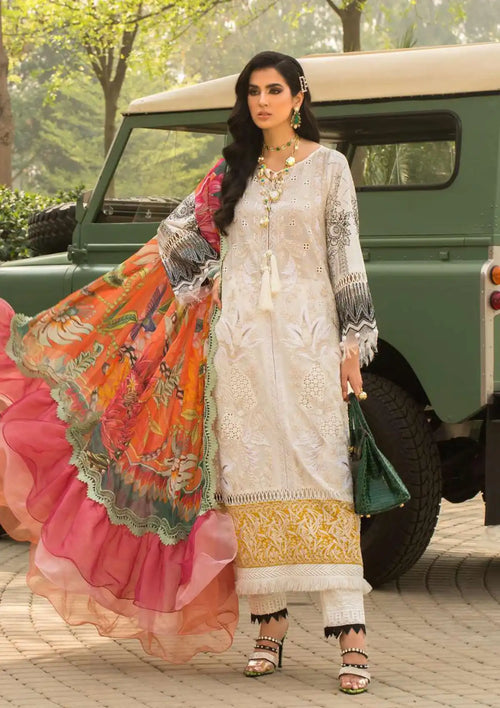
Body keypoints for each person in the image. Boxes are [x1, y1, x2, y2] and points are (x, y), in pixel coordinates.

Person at [0, 51, 377, 695]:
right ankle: (269, 625)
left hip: (308, 345)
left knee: (323, 473)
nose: (263, 101)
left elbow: (348, 259)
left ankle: (351, 632)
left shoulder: (329, 168)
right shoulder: (232, 171)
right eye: (253, 91)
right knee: (248, 479)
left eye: (275, 90)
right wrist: (198, 285)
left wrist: (353, 340)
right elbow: (174, 241)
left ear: (298, 96)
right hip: (239, 349)